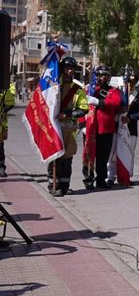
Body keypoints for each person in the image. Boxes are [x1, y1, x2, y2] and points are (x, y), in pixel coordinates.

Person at [52, 57, 88, 196]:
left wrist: (67, 114)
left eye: (72, 68)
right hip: (54, 129)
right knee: (54, 157)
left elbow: (83, 109)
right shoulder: (54, 87)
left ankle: (65, 186)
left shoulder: (78, 90)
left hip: (69, 130)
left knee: (67, 160)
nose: (70, 70)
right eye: (67, 67)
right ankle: (53, 184)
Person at [87, 65, 123, 189]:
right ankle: (88, 179)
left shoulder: (113, 90)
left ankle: (101, 179)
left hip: (106, 128)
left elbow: (116, 102)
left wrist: (99, 102)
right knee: (89, 155)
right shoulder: (91, 89)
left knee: (103, 156)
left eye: (105, 75)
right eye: (100, 75)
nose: (102, 78)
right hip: (91, 127)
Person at [0, 81, 15, 178]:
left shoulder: (4, 91)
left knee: (0, 147)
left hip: (1, 125)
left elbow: (11, 103)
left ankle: (1, 168)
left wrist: (2, 112)